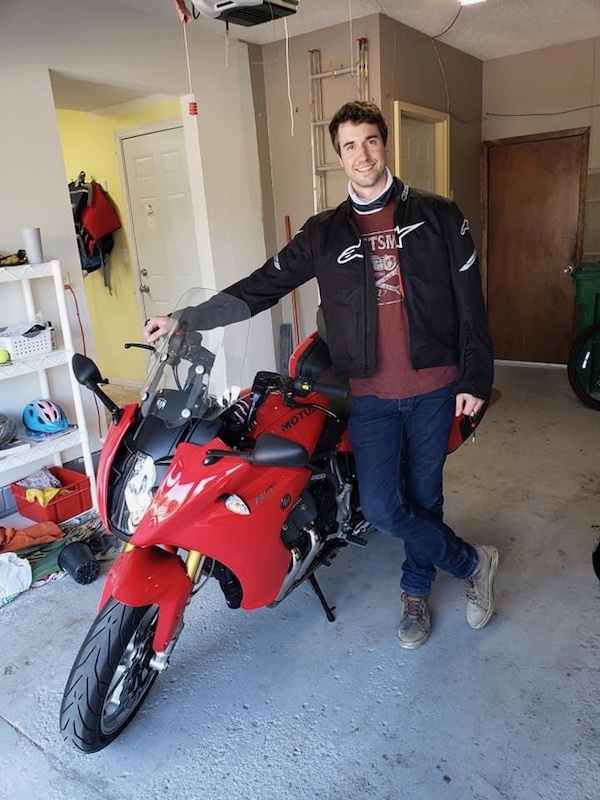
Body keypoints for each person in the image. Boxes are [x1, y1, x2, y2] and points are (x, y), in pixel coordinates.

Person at [144, 100, 498, 650]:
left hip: (433, 387)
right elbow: (259, 287)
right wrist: (185, 319)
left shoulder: (441, 217)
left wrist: (476, 379)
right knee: (384, 505)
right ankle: (473, 562)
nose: (363, 154)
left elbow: (471, 306)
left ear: (386, 144)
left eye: (371, 141)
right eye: (350, 145)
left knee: (425, 499)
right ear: (339, 156)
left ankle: (415, 587)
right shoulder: (324, 233)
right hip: (371, 396)